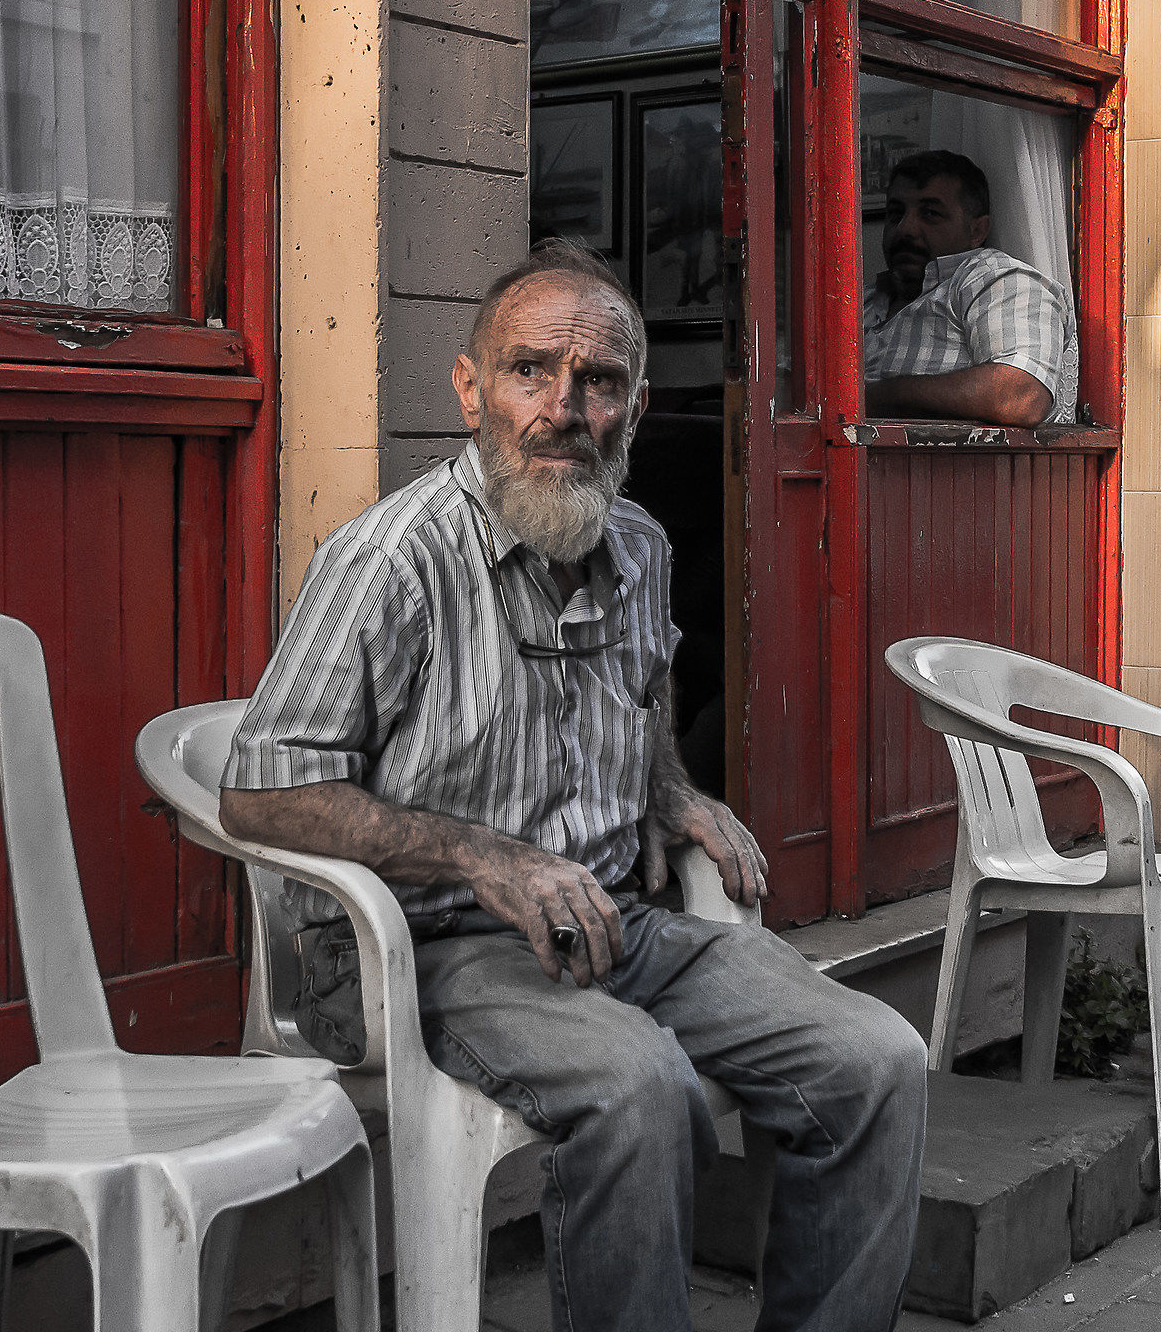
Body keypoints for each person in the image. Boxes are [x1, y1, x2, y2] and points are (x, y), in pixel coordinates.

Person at [222, 238, 927, 1332]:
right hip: (424, 950)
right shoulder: (389, 562)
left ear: (634, 407)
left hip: (611, 926)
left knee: (877, 1060)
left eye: (598, 382)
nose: (565, 407)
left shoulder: (636, 545)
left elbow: (642, 698)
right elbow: (259, 796)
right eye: (529, 371)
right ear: (470, 391)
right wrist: (480, 855)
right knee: (643, 1089)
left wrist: (666, 790)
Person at [861, 150, 1078, 427]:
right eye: (895, 214)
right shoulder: (863, 301)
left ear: (977, 230)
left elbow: (1021, 396)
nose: (905, 229)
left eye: (930, 213)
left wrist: (876, 397)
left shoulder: (994, 279)